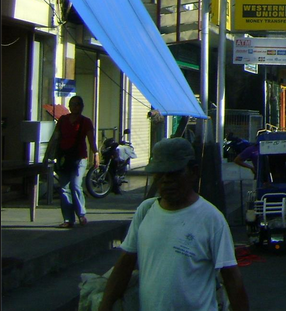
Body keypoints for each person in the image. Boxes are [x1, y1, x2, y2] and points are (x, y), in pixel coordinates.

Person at [97, 138, 249, 311]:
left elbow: (231, 278)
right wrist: (105, 304)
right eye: (160, 174)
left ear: (193, 172)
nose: (166, 181)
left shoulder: (211, 218)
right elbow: (125, 263)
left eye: (174, 173)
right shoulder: (145, 211)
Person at [45, 95, 98, 228]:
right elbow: (55, 137)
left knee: (75, 185)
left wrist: (96, 153)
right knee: (63, 188)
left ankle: (81, 214)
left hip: (79, 158)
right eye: (72, 104)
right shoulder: (63, 120)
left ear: (82, 106)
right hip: (64, 157)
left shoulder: (85, 121)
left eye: (78, 104)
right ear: (69, 106)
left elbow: (91, 139)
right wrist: (48, 155)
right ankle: (68, 219)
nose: (75, 107)